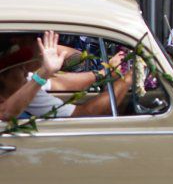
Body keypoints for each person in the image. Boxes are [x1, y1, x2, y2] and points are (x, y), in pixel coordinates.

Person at [0, 31, 131, 120]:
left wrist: (104, 73)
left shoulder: (24, 82)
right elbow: (5, 113)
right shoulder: (28, 84)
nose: (40, 48)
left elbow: (61, 82)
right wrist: (128, 78)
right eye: (36, 40)